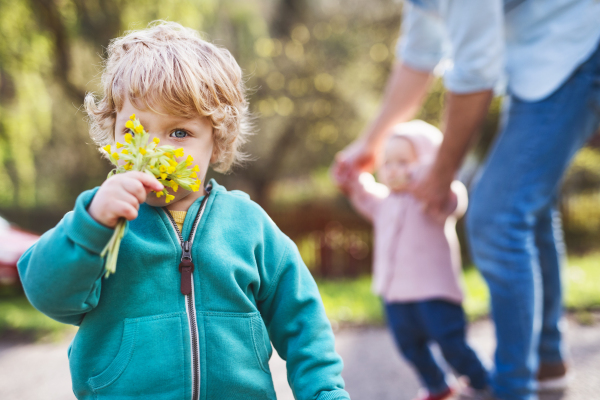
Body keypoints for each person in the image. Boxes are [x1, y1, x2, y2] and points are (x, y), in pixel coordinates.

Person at [17, 22, 350, 400]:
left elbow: (303, 322)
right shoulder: (98, 220)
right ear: (112, 137)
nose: (155, 149)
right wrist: (92, 224)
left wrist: (325, 392)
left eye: (179, 133)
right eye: (134, 132)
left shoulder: (250, 226)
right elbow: (48, 294)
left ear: (216, 138)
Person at [336, 1, 600, 399]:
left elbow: (475, 73)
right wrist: (368, 145)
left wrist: (441, 172)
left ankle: (514, 387)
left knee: (498, 217)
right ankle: (546, 362)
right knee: (530, 207)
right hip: (539, 65)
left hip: (575, 52)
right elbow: (418, 56)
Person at [333, 120, 490, 400]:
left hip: (435, 292)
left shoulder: (433, 200)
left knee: (452, 344)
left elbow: (454, 200)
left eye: (403, 161)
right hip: (395, 295)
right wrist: (351, 176)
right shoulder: (385, 203)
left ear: (428, 162)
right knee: (409, 346)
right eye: (388, 162)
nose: (392, 169)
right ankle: (437, 385)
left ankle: (482, 382)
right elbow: (364, 194)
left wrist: (423, 176)